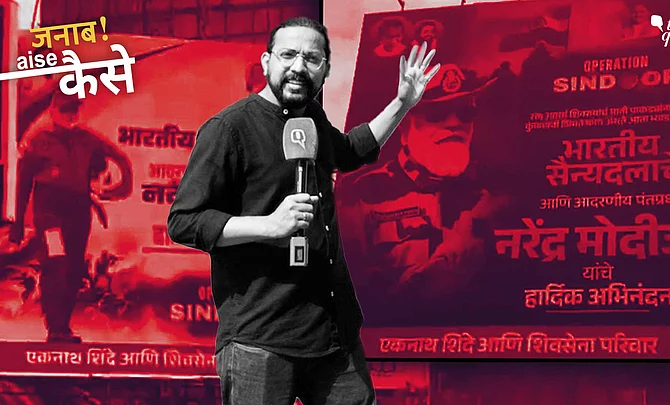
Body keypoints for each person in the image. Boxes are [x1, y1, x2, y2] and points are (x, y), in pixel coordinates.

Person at [167, 16, 439, 405]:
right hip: (260, 338)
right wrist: (269, 225)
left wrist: (402, 103)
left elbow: (350, 150)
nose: (299, 67)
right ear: (267, 62)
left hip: (332, 334)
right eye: (288, 55)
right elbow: (184, 221)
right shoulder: (229, 128)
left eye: (311, 59)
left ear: (325, 69)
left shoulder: (312, 119)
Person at [339, 64, 509, 304]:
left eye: (465, 113)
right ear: (404, 125)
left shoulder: (489, 195)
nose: (454, 124)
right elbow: (351, 288)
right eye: (437, 114)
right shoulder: (360, 194)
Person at [8, 91, 133, 343]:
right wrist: (18, 223)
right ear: (53, 112)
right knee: (56, 262)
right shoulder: (40, 141)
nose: (70, 114)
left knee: (75, 267)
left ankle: (63, 328)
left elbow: (120, 158)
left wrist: (121, 188)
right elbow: (23, 182)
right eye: (65, 109)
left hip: (78, 210)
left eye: (74, 109)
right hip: (50, 210)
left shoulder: (87, 138)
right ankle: (54, 326)